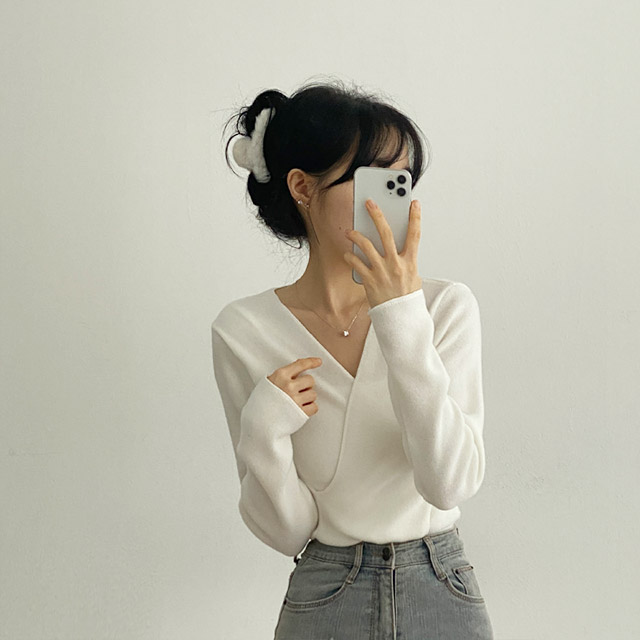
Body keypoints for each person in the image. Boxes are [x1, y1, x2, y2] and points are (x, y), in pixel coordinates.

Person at [211, 78, 494, 639]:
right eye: (375, 179)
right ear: (302, 187)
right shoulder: (244, 331)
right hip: (325, 592)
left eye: (402, 180)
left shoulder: (444, 308)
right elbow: (288, 532)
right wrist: (262, 431)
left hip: (440, 585)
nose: (394, 199)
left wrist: (401, 316)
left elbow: (448, 484)